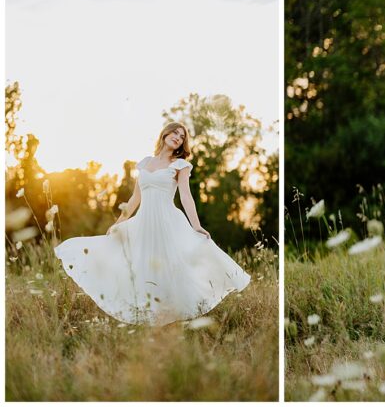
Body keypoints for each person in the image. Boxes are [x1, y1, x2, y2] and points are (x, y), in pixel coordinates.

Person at [54, 122, 250, 326]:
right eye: (175, 132)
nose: (178, 137)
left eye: (182, 136)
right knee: (142, 265)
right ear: (165, 134)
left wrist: (196, 225)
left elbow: (186, 197)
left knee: (171, 266)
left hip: (167, 222)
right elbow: (134, 200)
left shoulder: (180, 165)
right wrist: (119, 222)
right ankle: (149, 312)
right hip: (144, 222)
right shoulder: (145, 163)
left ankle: (173, 316)